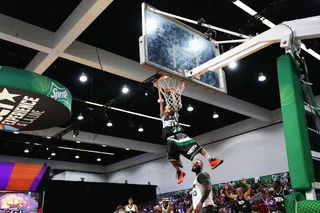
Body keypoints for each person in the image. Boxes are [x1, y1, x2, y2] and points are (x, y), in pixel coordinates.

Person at [158, 89, 223, 184]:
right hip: (170, 139)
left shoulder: (175, 115)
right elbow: (161, 103)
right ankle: (179, 172)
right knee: (171, 158)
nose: (167, 110)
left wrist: (172, 94)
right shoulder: (163, 117)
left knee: (195, 145)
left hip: (180, 136)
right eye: (166, 109)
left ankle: (211, 160)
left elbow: (174, 104)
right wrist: (159, 91)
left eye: (169, 108)